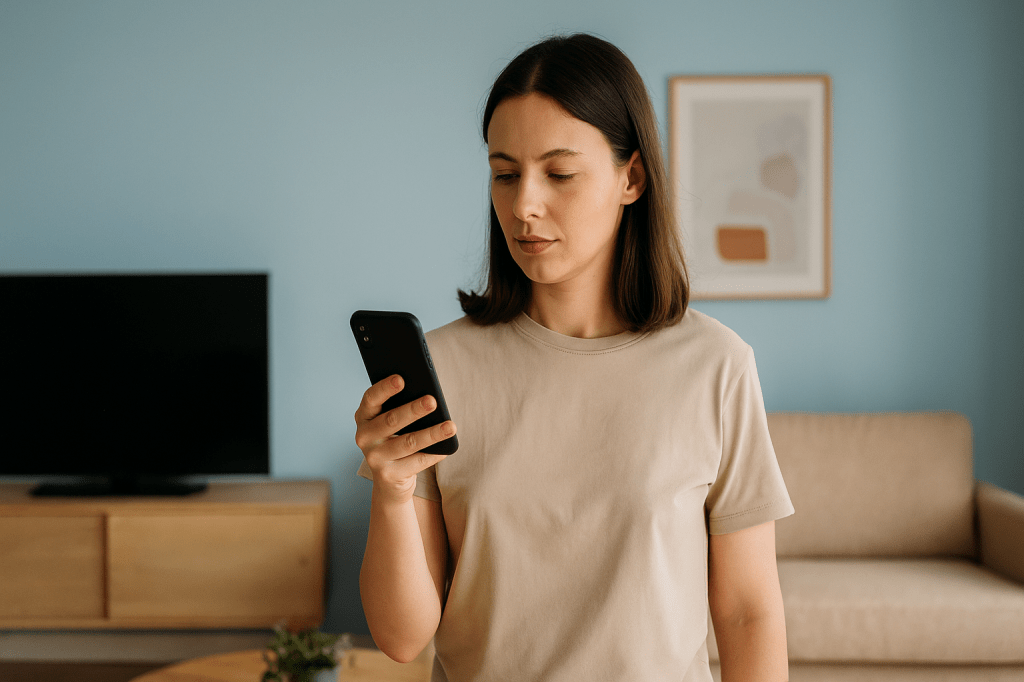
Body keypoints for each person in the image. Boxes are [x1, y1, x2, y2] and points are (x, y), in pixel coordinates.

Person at [355, 33, 794, 682]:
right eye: (505, 174)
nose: (524, 204)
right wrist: (391, 493)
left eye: (558, 173)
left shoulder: (716, 366)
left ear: (632, 178)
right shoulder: (441, 368)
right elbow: (401, 638)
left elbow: (748, 614)